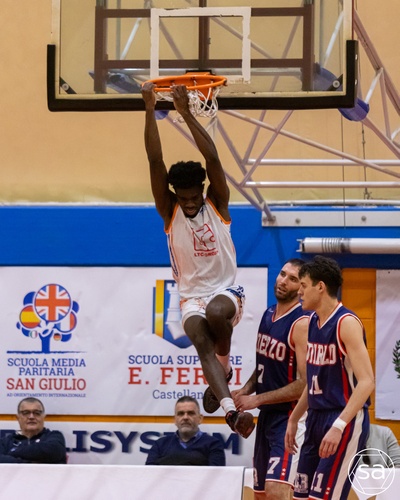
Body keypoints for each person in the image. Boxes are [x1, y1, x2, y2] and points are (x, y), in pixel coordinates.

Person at [142, 82, 254, 439]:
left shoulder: (217, 203)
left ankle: (225, 360)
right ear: (175, 194)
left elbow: (213, 161)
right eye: (184, 197)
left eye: (194, 197)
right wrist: (149, 108)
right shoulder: (169, 209)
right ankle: (231, 411)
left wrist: (187, 113)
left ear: (202, 191)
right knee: (198, 339)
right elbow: (155, 161)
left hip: (225, 290)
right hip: (190, 296)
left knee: (216, 314)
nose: (189, 203)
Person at [284, 255, 375, 500]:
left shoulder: (346, 322)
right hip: (315, 418)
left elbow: (367, 381)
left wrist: (338, 426)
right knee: (300, 496)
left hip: (342, 418)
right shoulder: (312, 322)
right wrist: (294, 418)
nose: (299, 292)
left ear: (320, 287)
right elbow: (314, 382)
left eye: (304, 285)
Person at [233, 259, 309, 500]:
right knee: (261, 495)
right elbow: (263, 366)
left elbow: (304, 384)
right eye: (282, 274)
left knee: (277, 490)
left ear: (302, 287)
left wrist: (256, 400)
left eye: (292, 279)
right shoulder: (268, 314)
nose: (283, 281)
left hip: (290, 417)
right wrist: (245, 390)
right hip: (267, 417)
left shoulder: (302, 323)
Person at [145, 396, 226, 466]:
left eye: (191, 413)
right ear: (175, 419)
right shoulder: (160, 445)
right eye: (180, 413)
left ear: (200, 418)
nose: (185, 417)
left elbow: (216, 476)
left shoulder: (213, 445)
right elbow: (149, 474)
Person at [0, 397, 67, 464]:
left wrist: (13, 452)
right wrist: (30, 463)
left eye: (37, 413)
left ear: (43, 417)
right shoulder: (5, 442)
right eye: (26, 413)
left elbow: (52, 451)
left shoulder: (55, 437)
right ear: (18, 418)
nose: (31, 417)